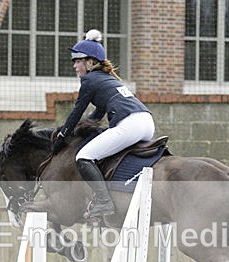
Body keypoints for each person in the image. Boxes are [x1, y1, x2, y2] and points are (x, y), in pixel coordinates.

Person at [53, 29, 155, 219]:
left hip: (130, 124)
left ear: (90, 63)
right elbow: (96, 115)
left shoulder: (89, 80)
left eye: (78, 61)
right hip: (146, 122)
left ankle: (104, 201)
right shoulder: (107, 79)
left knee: (83, 157)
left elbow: (77, 111)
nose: (75, 66)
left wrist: (62, 135)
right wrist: (80, 129)